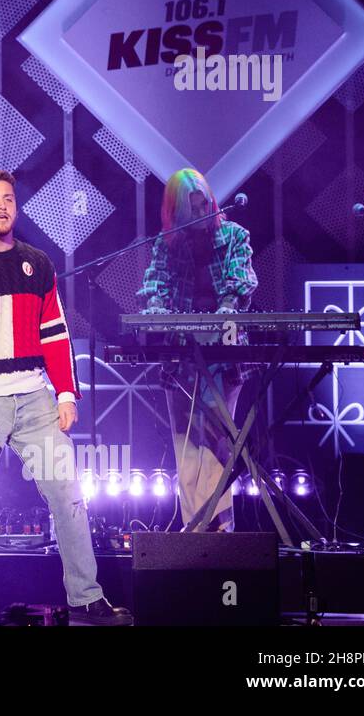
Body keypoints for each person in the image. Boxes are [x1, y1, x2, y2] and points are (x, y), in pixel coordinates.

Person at [0, 168, 131, 626]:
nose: (1, 206)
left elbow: (55, 335)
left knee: (69, 497)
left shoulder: (38, 263)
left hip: (36, 402)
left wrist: (66, 394)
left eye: (9, 199)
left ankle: (86, 597)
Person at [137, 168, 257, 532]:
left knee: (218, 439)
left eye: (203, 203)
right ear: (177, 212)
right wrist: (156, 306)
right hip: (182, 352)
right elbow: (155, 282)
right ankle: (194, 528)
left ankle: (220, 526)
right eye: (191, 208)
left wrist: (226, 310)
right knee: (186, 441)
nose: (200, 212)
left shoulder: (234, 235)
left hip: (224, 352)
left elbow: (240, 282)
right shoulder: (169, 243)